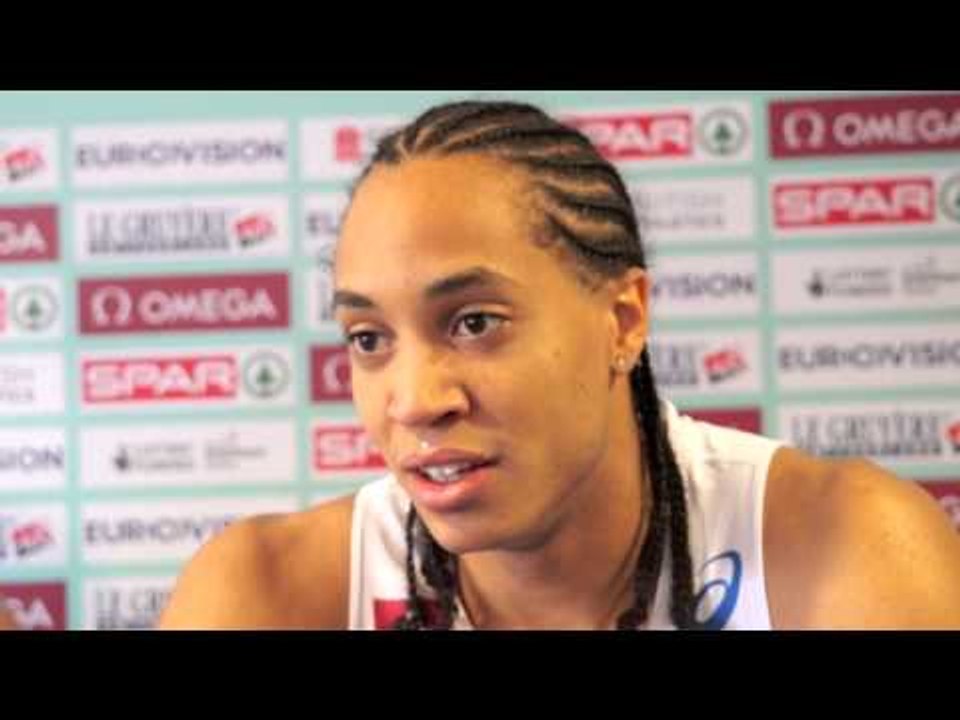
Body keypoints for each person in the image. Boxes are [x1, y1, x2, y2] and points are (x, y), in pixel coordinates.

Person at [158, 100, 960, 630]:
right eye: (370, 338)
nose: (414, 402)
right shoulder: (265, 595)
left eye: (474, 322)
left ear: (623, 321)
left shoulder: (848, 550)